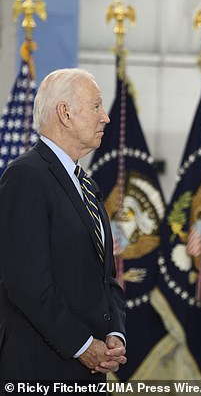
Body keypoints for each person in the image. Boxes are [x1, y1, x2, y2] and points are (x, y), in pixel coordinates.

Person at [0, 68, 127, 382]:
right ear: (65, 113)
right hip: (41, 370)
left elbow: (105, 277)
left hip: (88, 368)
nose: (105, 117)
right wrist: (82, 345)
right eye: (96, 106)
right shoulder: (26, 177)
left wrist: (114, 334)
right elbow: (27, 283)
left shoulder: (86, 185)